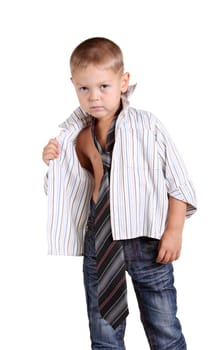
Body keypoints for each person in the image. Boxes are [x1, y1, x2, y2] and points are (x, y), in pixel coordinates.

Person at [42, 37, 197, 350]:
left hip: (146, 239)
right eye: (84, 88)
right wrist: (51, 162)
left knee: (164, 328)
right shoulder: (77, 135)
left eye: (104, 86)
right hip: (99, 238)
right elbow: (65, 191)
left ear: (123, 82)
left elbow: (179, 183)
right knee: (104, 333)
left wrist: (174, 231)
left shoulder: (147, 126)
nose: (94, 97)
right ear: (73, 85)